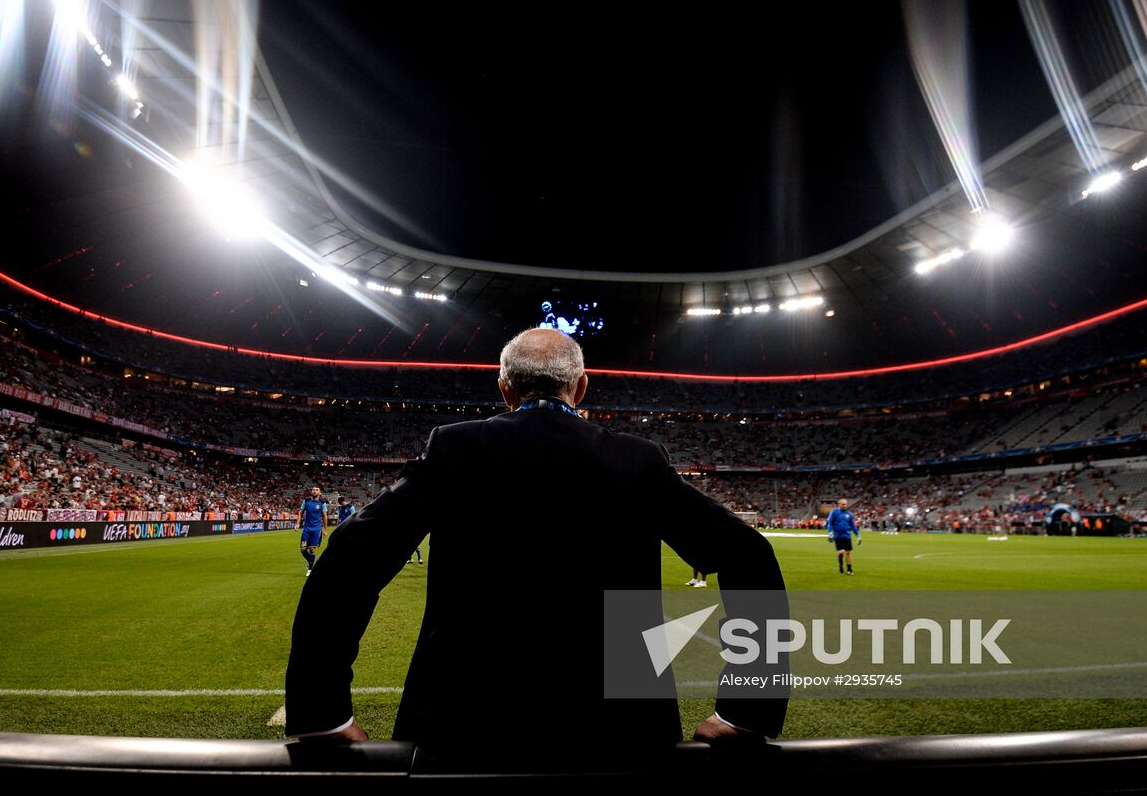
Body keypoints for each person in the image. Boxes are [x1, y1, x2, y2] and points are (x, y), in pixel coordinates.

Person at [285, 328, 788, 767]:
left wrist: (320, 714)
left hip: (462, 727)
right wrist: (746, 713)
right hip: (623, 733)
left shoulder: (454, 449)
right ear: (581, 387)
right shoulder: (637, 461)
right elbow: (751, 557)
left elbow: (349, 562)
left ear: (505, 389)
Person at [294, 486, 328, 577]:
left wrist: (325, 530)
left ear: (320, 493)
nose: (314, 491)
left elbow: (324, 516)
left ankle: (310, 568)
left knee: (312, 549)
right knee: (303, 549)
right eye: (313, 489)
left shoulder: (322, 503)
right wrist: (297, 524)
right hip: (306, 529)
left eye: (316, 490)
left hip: (316, 529)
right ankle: (311, 562)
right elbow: (300, 512)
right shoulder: (306, 501)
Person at [826, 497, 861, 575]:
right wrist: (830, 532)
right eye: (843, 504)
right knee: (841, 552)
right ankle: (841, 564)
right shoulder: (834, 512)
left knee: (848, 552)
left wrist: (858, 535)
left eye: (846, 504)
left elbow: (853, 525)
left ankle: (849, 569)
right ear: (839, 505)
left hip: (847, 536)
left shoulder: (850, 514)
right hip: (838, 536)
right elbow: (830, 523)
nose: (845, 506)